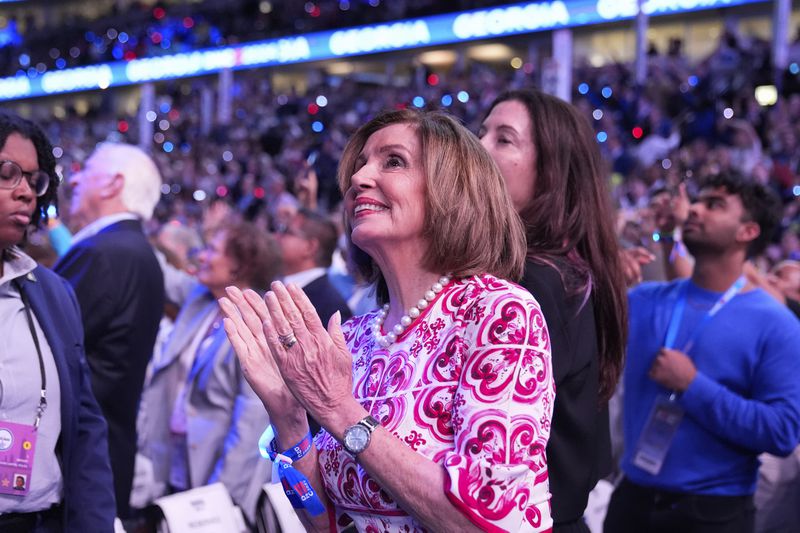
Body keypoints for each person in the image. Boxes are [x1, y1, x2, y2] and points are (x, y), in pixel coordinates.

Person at [221, 109, 555, 531]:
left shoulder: (499, 313)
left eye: (392, 161)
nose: (360, 178)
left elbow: (493, 519)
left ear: (452, 190)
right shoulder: (357, 336)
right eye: (360, 164)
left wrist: (339, 410)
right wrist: (288, 418)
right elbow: (323, 523)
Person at [604, 172, 800, 533]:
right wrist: (606, 261)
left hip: (712, 513)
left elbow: (782, 432)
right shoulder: (643, 301)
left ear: (748, 232)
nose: (694, 208)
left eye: (714, 205)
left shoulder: (777, 326)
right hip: (631, 501)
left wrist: (692, 387)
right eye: (698, 200)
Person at [479, 88, 628, 532]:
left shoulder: (531, 283)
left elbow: (491, 463)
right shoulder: (566, 270)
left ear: (552, 172)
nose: (478, 146)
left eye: (503, 139)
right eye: (481, 131)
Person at [0, 111, 115, 531]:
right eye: (7, 173)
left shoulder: (53, 293)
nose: (26, 193)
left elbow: (84, 427)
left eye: (34, 180)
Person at [135, 220, 281, 526]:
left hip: (216, 468)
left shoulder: (256, 324)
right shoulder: (201, 299)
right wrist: (130, 220)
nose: (200, 256)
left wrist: (222, 495)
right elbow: (161, 273)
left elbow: (250, 420)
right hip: (172, 456)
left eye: (213, 250)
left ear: (240, 266)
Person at [54, 142, 166, 519]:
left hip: (79, 462)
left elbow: (41, 344)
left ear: (112, 184)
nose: (74, 178)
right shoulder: (129, 248)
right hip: (104, 453)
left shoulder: (106, 252)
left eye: (85, 170)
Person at [275, 207, 353, 325]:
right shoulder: (277, 283)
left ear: (310, 247)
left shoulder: (332, 309)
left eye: (288, 232)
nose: (277, 236)